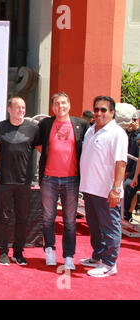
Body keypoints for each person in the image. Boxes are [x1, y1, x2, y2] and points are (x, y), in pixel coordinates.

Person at [37, 92, 89, 270]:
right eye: (57, 104)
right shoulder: (46, 124)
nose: (61, 106)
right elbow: (37, 143)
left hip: (72, 180)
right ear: (52, 107)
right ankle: (49, 250)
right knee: (48, 218)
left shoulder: (80, 124)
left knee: (69, 221)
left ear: (69, 104)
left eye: (64, 103)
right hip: (49, 178)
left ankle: (68, 256)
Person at [79, 96, 128, 277]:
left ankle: (109, 264)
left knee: (109, 227)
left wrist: (116, 189)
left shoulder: (117, 133)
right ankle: (98, 257)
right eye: (96, 109)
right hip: (90, 189)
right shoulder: (91, 130)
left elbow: (121, 162)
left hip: (107, 192)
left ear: (112, 113)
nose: (99, 113)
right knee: (95, 227)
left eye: (103, 110)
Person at [0, 97, 41, 266]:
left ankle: (18, 252)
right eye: (17, 107)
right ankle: (2, 252)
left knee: (22, 218)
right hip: (4, 181)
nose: (21, 110)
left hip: (24, 182)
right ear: (9, 109)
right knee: (4, 218)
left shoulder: (33, 129)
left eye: (23, 107)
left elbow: (41, 150)